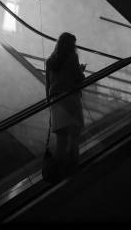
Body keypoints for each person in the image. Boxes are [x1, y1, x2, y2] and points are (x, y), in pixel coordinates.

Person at [45, 32, 86, 177]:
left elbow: (48, 84)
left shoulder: (50, 61)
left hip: (56, 102)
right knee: (74, 138)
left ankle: (59, 173)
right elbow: (78, 78)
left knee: (61, 142)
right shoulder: (72, 57)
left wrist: (50, 103)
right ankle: (73, 170)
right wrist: (81, 70)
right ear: (70, 45)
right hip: (70, 98)